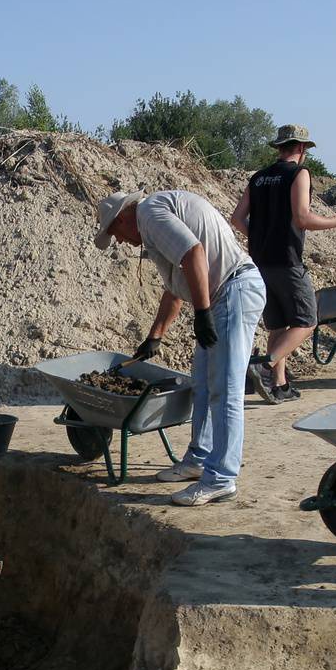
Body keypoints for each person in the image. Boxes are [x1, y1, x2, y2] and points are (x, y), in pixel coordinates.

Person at [94, 189, 267, 506]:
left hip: (233, 293)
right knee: (202, 383)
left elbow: (194, 254)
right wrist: (155, 335)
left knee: (225, 390)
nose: (118, 241)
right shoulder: (154, 218)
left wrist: (201, 313)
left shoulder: (150, 215)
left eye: (114, 232)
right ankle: (198, 460)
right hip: (223, 297)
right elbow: (175, 287)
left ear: (122, 217)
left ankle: (221, 478)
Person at [229, 124, 336, 403]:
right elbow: (302, 218)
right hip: (287, 261)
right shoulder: (299, 174)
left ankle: (279, 385)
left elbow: (237, 219)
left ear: (279, 147)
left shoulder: (258, 178)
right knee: (306, 320)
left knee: (277, 325)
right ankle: (263, 366)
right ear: (301, 148)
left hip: (260, 262)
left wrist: (260, 235)